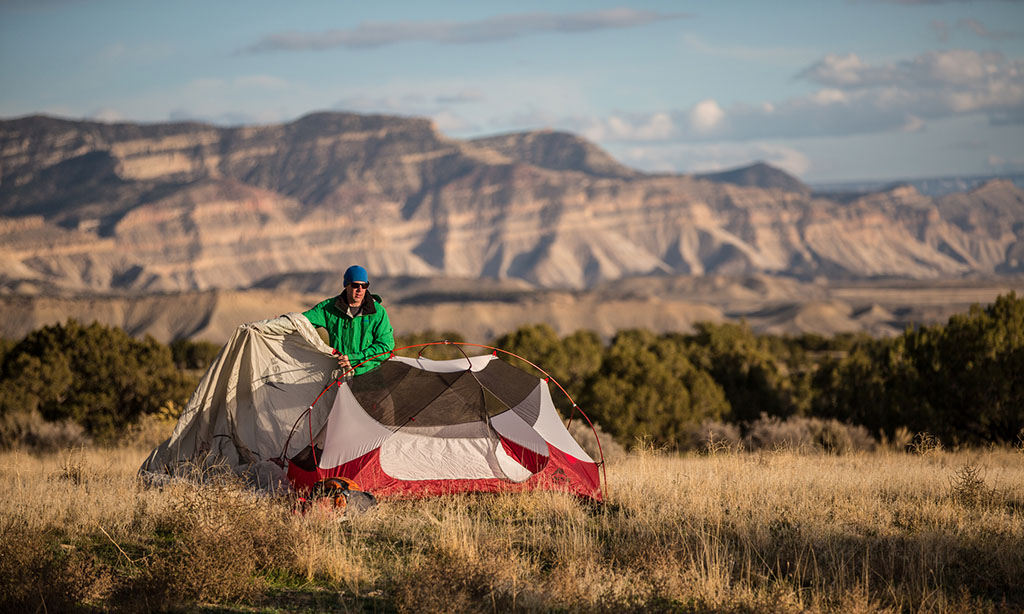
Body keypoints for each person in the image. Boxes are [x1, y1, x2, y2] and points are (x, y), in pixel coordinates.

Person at [302, 265, 395, 376]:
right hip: (338, 376)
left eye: (364, 285)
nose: (360, 289)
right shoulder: (329, 308)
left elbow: (386, 347)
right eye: (355, 285)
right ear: (346, 285)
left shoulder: (378, 312)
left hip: (369, 378)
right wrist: (282, 323)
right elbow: (301, 322)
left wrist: (354, 359)